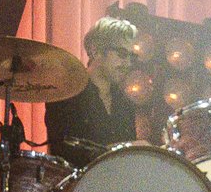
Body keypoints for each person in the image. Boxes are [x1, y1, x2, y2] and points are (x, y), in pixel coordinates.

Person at [45, 15, 141, 165]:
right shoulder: (66, 94)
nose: (128, 63)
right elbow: (66, 155)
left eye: (131, 56)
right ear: (95, 51)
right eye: (122, 54)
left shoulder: (125, 103)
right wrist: (128, 148)